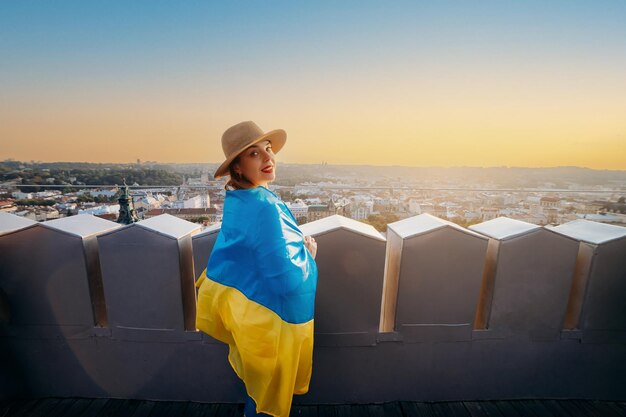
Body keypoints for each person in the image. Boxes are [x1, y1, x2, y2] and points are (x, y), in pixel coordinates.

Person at [196, 121, 318, 417]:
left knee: (258, 388)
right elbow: (285, 279)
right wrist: (308, 258)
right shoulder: (264, 205)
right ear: (237, 167)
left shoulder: (239, 199)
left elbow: (240, 253)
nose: (267, 158)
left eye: (267, 149)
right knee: (268, 399)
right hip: (271, 319)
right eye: (253, 154)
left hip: (247, 313)